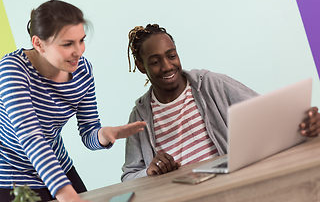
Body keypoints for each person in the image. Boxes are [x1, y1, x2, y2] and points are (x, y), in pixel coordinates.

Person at [121, 23, 320, 182]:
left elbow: (268, 115)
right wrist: (150, 171)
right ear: (141, 66)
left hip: (231, 187)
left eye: (172, 56)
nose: (167, 66)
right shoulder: (139, 117)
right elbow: (129, 176)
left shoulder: (210, 84)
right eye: (155, 62)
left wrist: (302, 123)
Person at [0, 0, 146, 202]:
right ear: (38, 43)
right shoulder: (13, 70)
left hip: (57, 164)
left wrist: (104, 134)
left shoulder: (83, 71)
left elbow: (88, 131)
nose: (79, 51)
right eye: (68, 44)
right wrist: (68, 196)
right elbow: (32, 138)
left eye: (81, 40)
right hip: (12, 175)